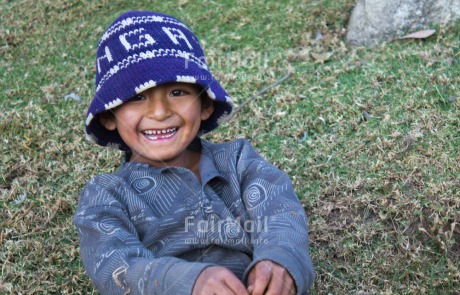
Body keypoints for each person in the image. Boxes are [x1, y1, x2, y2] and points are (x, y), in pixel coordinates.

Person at [74, 10, 314, 295]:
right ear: (108, 117)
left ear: (206, 104)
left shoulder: (238, 161)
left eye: (177, 92)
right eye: (137, 97)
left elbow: (280, 213)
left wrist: (280, 262)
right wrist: (188, 282)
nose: (160, 112)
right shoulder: (106, 195)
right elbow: (114, 266)